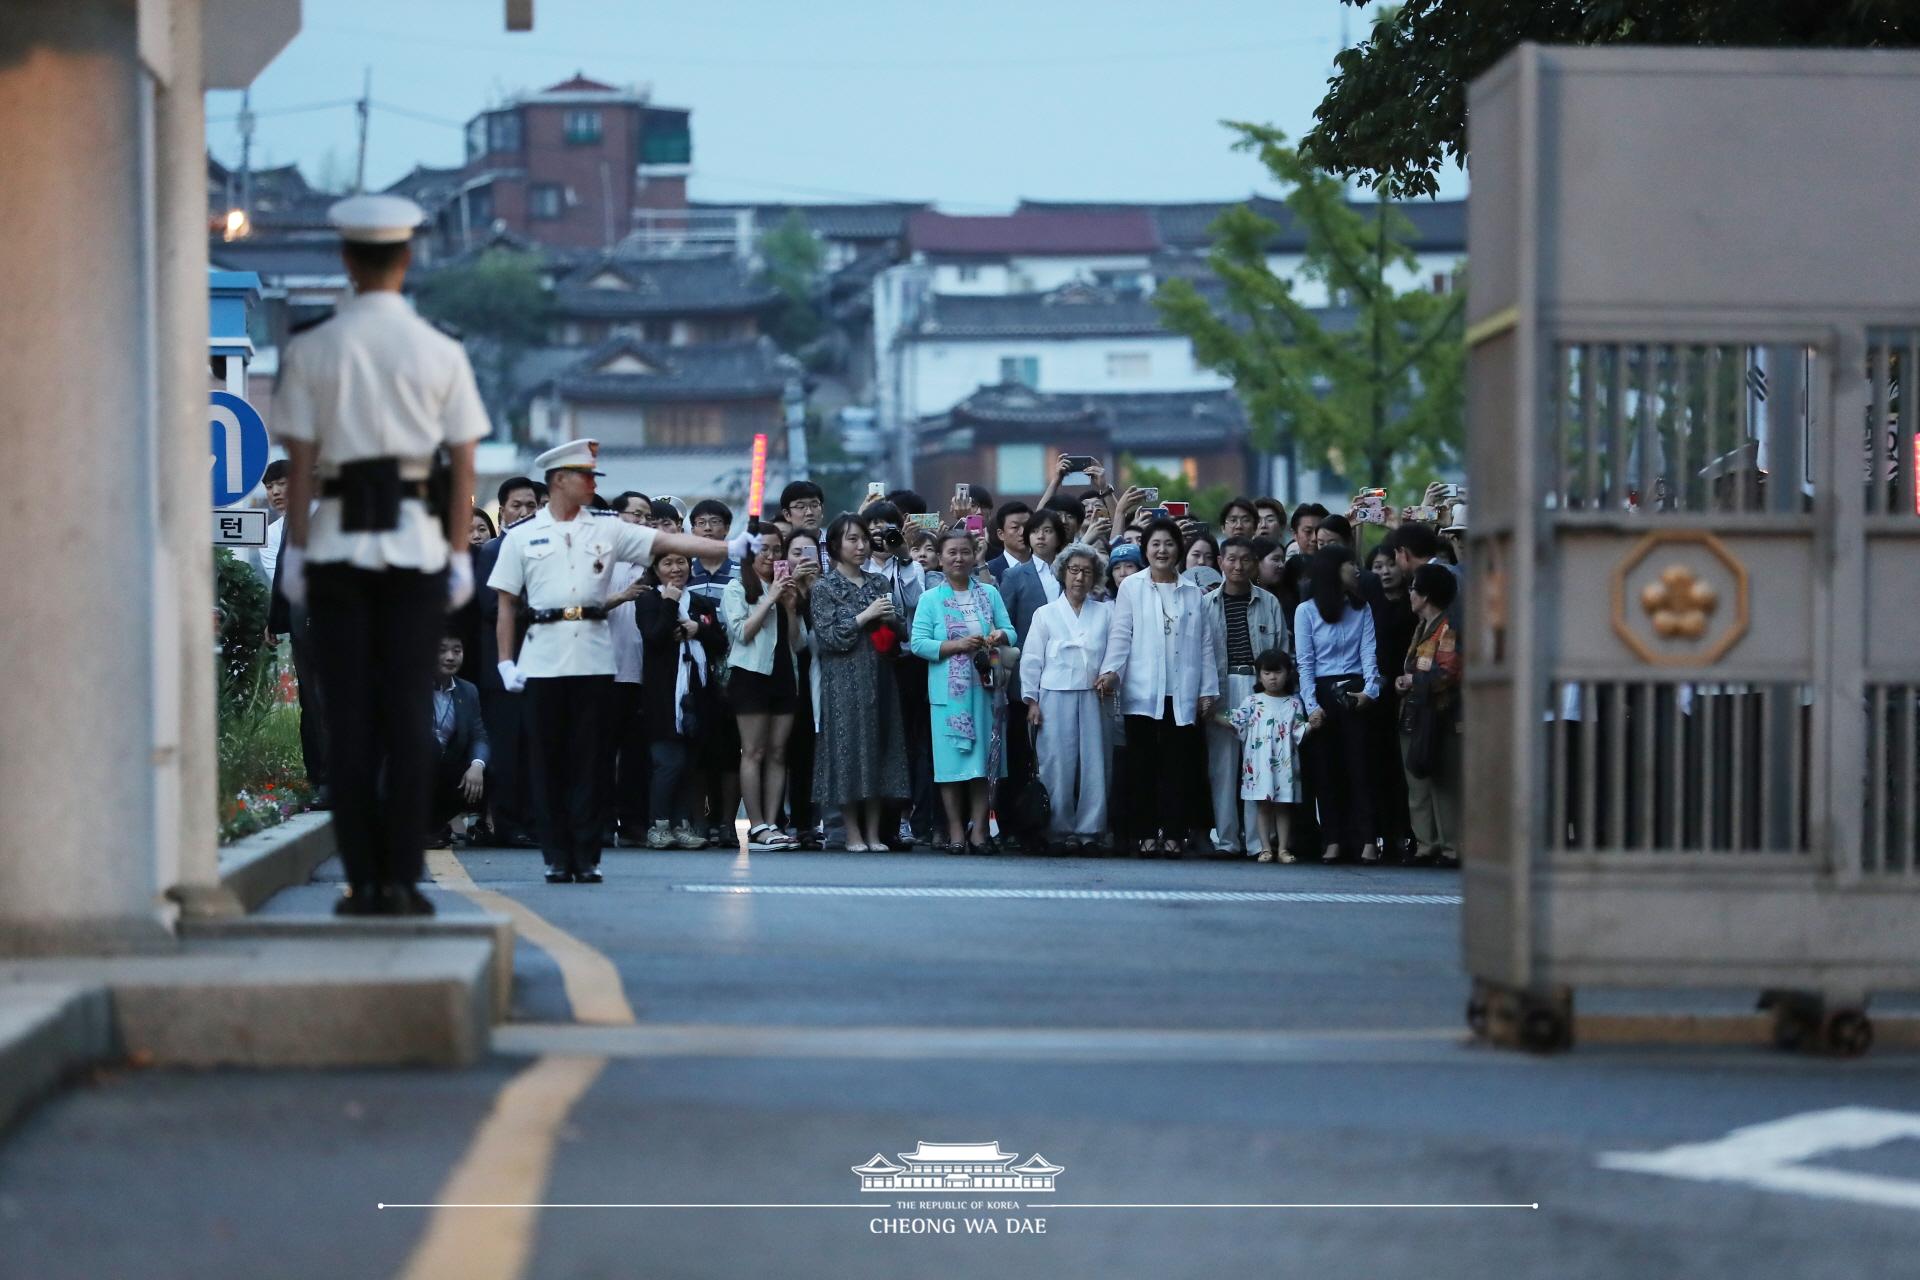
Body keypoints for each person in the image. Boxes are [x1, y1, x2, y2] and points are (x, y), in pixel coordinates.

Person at [272, 193, 485, 917]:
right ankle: (403, 877)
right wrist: (459, 555)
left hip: (336, 545)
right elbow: (463, 467)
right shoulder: (442, 349)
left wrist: (297, 550)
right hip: (415, 547)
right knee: (405, 712)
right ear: (408, 258)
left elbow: (299, 466)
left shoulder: (310, 347)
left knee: (350, 719)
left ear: (345, 261)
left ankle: (364, 881)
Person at [488, 438, 726, 882]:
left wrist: (731, 548)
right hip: (542, 656)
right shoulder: (522, 537)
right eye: (584, 476)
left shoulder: (606, 529)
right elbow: (505, 604)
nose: (592, 484)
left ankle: (587, 853)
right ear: (559, 481)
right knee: (548, 761)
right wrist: (506, 662)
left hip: (595, 659)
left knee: (592, 761)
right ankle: (557, 855)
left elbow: (668, 540)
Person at [1097, 518, 1218, 857]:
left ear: (1178, 549)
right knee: (1143, 766)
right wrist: (1110, 672)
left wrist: (1207, 689)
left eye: (1168, 544)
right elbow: (1122, 635)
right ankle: (1146, 833)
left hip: (1182, 691)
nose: (1162, 550)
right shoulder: (1131, 587)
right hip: (1143, 691)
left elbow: (1205, 643)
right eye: (1155, 544)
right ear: (1145, 550)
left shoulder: (1192, 592)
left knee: (1178, 767)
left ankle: (1175, 834)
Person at [910, 528, 1017, 854]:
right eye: (951, 553)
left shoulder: (989, 594)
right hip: (948, 697)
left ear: (974, 555)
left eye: (965, 552)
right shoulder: (930, 599)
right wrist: (955, 645)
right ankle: (956, 830)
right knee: (951, 768)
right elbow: (917, 643)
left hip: (985, 692)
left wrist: (998, 635)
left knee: (984, 766)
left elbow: (1011, 632)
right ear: (940, 559)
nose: (958, 558)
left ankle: (980, 831)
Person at [810, 514, 911, 850]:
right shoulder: (824, 587)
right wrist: (864, 617)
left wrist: (891, 619)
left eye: (864, 539)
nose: (861, 545)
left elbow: (901, 632)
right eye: (852, 539)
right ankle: (852, 832)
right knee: (848, 752)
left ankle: (873, 832)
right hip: (843, 680)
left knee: (879, 750)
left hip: (879, 675)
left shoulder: (878, 583)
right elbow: (828, 638)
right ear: (836, 545)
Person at [1019, 543, 1113, 851]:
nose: (1080, 578)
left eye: (1087, 572)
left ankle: (1091, 831)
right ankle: (1058, 830)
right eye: (1074, 570)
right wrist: (1031, 700)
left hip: (1093, 694)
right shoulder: (1045, 614)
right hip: (1054, 694)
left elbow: (1115, 652)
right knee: (1055, 763)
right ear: (1063, 573)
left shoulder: (1105, 612)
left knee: (1094, 764)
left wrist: (1111, 674)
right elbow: (1032, 657)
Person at [634, 547, 726, 850]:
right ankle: (658, 825)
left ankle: (681, 824)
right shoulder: (649, 600)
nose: (676, 568)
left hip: (697, 693)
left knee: (689, 763)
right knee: (667, 762)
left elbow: (720, 642)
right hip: (663, 695)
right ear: (656, 568)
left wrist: (698, 629)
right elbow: (655, 636)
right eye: (668, 563)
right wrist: (670, 604)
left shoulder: (700, 602)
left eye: (682, 562)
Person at [1295, 546, 1381, 863]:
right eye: (1349, 564)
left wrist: (1370, 693)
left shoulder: (1362, 608)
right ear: (1332, 570)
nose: (1356, 570)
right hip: (1321, 691)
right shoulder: (1306, 611)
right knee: (1325, 769)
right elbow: (1305, 663)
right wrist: (1311, 704)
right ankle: (1332, 838)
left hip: (1355, 688)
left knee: (1360, 768)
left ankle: (1367, 839)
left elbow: (1369, 656)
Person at [1203, 536, 1288, 856]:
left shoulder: (1269, 602)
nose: (1237, 566)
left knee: (1259, 768)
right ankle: (1226, 840)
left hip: (1259, 687)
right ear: (1220, 562)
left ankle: (1257, 842)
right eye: (1231, 559)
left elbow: (1282, 651)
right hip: (1221, 687)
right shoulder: (1206, 603)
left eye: (1245, 560)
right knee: (1222, 768)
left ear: (1254, 564)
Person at [724, 531, 807, 851]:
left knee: (777, 752)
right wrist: (770, 597)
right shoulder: (736, 588)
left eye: (777, 549)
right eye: (763, 549)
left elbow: (798, 643)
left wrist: (788, 606)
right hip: (751, 676)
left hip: (785, 675)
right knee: (753, 751)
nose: (770, 556)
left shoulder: (788, 590)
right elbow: (741, 633)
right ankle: (756, 825)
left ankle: (772, 824)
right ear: (749, 553)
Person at [472, 476, 543, 847]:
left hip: (540, 666)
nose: (525, 512)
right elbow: (489, 606)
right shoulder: (494, 551)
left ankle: (532, 821)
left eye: (532, 506)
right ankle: (507, 823)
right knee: (507, 748)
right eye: (518, 506)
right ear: (502, 511)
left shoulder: (544, 548)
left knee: (535, 747)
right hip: (503, 666)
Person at [994, 508, 1064, 848]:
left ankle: (1055, 823)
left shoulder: (1071, 573)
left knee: (1056, 755)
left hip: (1064, 677)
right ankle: (1015, 825)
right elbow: (1004, 625)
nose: (1040, 536)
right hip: (1025, 676)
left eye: (1048, 531)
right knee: (1020, 754)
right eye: (1035, 531)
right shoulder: (1016, 576)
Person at [1397, 564, 1462, 866]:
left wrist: (1412, 681)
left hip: (1440, 715)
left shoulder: (1448, 628)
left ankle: (1451, 847)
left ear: (1426, 595)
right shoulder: (1421, 626)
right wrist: (1405, 681)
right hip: (1414, 713)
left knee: (1444, 783)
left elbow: (1447, 672)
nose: (1409, 593)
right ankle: (1427, 844)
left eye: (1413, 588)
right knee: (1418, 784)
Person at [1227, 648, 1309, 863]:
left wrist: (1314, 724)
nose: (1272, 677)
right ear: (1259, 675)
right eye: (1267, 673)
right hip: (1260, 763)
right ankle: (1265, 848)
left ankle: (1282, 848)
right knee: (1263, 805)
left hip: (1285, 763)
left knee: (1283, 805)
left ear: (1288, 673)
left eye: (1278, 672)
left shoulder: (1294, 703)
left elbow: (1299, 730)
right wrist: (1212, 715)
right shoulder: (1253, 701)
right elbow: (1235, 720)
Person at [603, 492, 653, 847]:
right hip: (605, 669)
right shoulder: (602, 558)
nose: (642, 522)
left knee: (637, 755)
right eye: (636, 514)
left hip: (645, 673)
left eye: (647, 516)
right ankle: (602, 820)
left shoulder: (658, 561)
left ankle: (635, 822)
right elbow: (583, 604)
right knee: (602, 752)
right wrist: (622, 596)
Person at [779, 526, 827, 847]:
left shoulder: (827, 589)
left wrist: (815, 592)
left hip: (819, 679)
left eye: (808, 552)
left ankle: (809, 822)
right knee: (790, 752)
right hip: (788, 679)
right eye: (796, 553)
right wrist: (793, 600)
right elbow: (795, 644)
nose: (802, 559)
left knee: (811, 753)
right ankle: (787, 822)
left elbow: (823, 640)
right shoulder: (779, 590)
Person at [427, 632, 489, 847]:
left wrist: (477, 765)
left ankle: (434, 825)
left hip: (445, 769)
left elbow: (479, 736)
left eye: (457, 650)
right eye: (442, 650)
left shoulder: (468, 690)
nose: (450, 657)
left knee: (489, 769)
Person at [686, 498, 737, 605]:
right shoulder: (684, 573)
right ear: (693, 531)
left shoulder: (743, 572)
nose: (708, 528)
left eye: (714, 522)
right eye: (701, 523)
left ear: (726, 529)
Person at [984, 501, 1032, 581]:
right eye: (1015, 527)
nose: (1023, 532)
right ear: (1001, 534)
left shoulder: (1045, 566)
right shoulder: (988, 570)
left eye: (1027, 526)